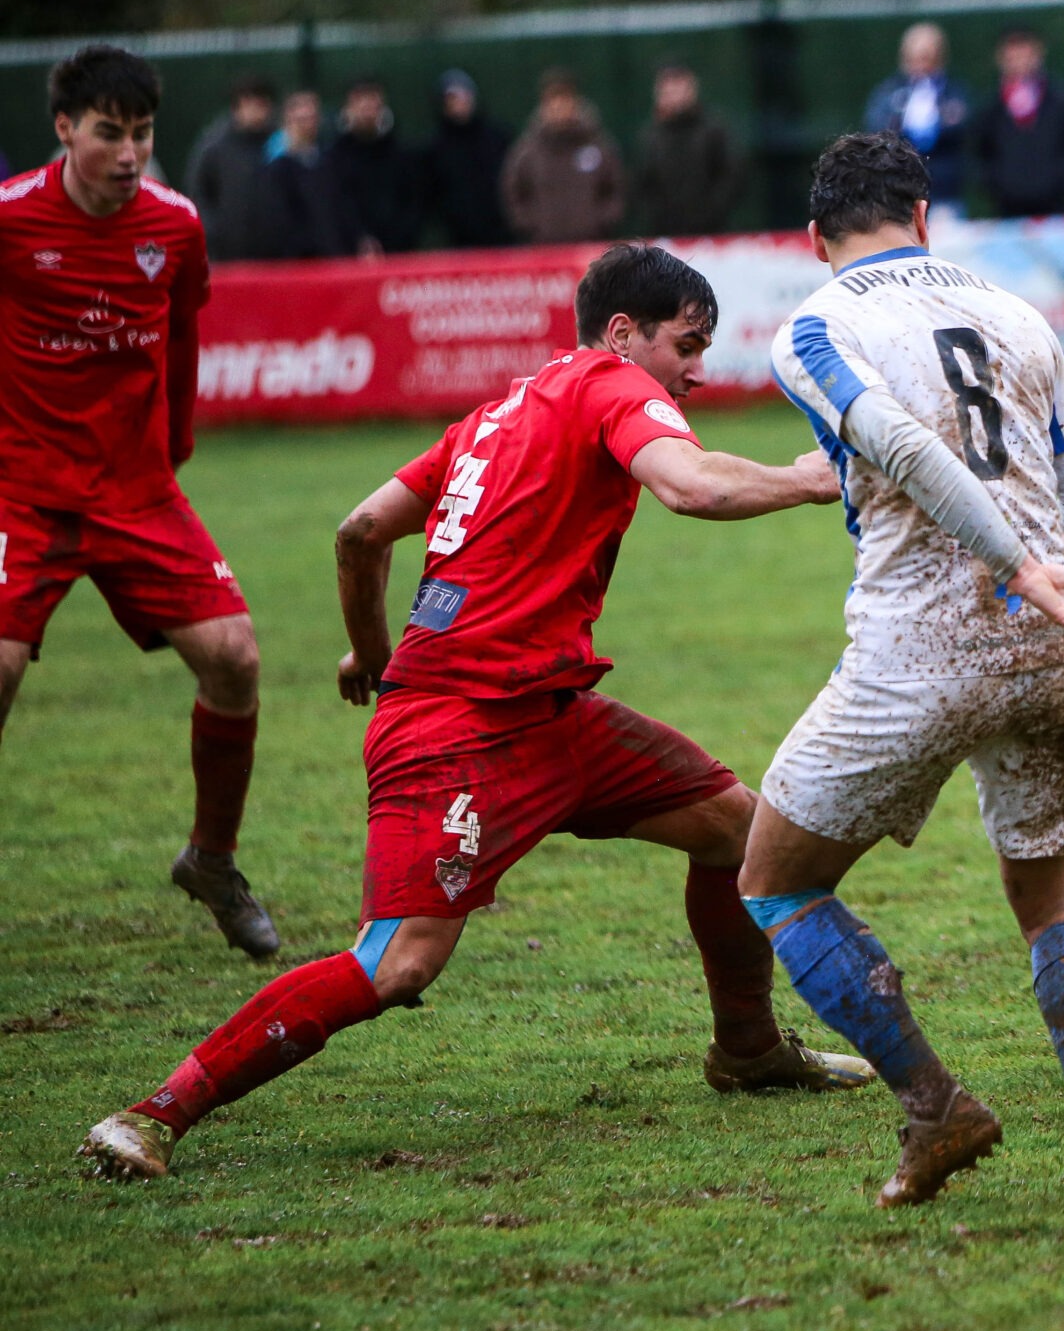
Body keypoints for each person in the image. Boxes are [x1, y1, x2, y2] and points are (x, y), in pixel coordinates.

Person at [78, 245, 873, 1182]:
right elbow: (691, 486)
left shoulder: (495, 412)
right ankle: (153, 1113)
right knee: (400, 960)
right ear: (623, 335)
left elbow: (361, 530)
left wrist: (378, 656)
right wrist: (820, 479)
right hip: (457, 725)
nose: (696, 370)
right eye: (686, 345)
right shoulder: (611, 385)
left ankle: (747, 1052)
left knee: (737, 828)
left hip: (547, 710)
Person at [743, 131, 1064, 1207]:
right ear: (924, 217)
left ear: (814, 236)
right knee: (1054, 896)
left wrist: (1016, 570)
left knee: (775, 882)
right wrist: (1046, 590)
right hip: (1049, 651)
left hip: (911, 660)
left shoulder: (817, 325)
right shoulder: (1017, 312)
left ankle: (937, 1109)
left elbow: (909, 454)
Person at [0, 47, 277, 960]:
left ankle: (211, 860)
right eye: (110, 134)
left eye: (143, 134)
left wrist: (172, 453)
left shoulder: (177, 226)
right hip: (26, 491)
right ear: (65, 129)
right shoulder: (10, 221)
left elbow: (185, 338)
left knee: (235, 657)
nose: (129, 154)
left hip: (135, 491)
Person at [970, 27, 1064, 218]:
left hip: (1056, 209)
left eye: (1025, 49)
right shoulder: (989, 107)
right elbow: (981, 154)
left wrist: (1055, 183)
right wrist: (1002, 186)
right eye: (1013, 51)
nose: (1020, 58)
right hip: (1006, 212)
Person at [862, 23, 973, 216]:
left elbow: (961, 123)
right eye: (914, 58)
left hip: (944, 192)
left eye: (927, 57)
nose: (920, 65)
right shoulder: (889, 93)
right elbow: (877, 128)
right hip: (899, 192)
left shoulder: (954, 91)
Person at [503, 70, 625, 244]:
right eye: (552, 100)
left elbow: (616, 188)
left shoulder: (599, 145)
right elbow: (513, 192)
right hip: (544, 248)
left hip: (591, 245)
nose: (558, 107)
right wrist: (530, 225)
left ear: (575, 103)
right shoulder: (526, 151)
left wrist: (602, 222)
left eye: (564, 99)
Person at [634, 63, 749, 237]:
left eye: (679, 86)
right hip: (666, 236)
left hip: (713, 233)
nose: (674, 95)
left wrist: (711, 212)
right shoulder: (650, 137)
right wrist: (661, 217)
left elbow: (733, 175)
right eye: (668, 88)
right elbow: (642, 184)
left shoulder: (714, 130)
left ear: (692, 88)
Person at [324, 76, 426, 257]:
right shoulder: (335, 156)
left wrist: (396, 243)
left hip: (398, 255)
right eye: (360, 102)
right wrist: (359, 239)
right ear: (349, 107)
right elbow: (337, 205)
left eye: (372, 101)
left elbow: (412, 204)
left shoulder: (401, 153)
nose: (367, 109)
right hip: (350, 257)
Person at [184, 76, 277, 262]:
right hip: (229, 253)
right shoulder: (214, 146)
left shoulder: (279, 143)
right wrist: (213, 235)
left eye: (261, 105)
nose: (256, 112)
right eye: (250, 104)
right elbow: (199, 193)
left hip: (274, 254)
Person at [422, 70, 514, 249]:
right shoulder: (435, 147)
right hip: (458, 243)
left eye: (464, 96)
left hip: (501, 239)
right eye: (452, 99)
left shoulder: (498, 137)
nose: (460, 104)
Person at [259, 89, 355, 260]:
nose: (307, 125)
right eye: (301, 119)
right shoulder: (276, 170)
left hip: (335, 258)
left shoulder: (331, 163)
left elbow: (343, 209)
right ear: (287, 121)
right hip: (299, 264)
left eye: (311, 118)